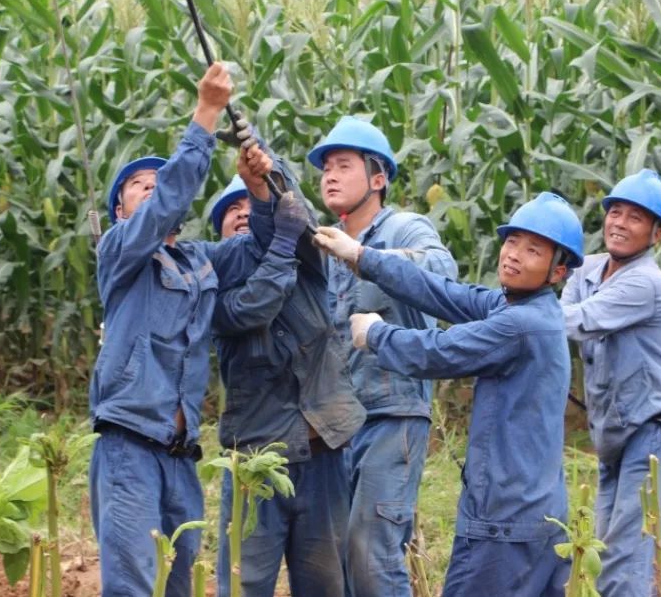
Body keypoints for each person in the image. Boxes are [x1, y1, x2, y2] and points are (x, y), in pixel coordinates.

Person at [315, 191, 583, 597]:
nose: (514, 255)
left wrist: (376, 334)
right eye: (512, 242)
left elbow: (440, 351)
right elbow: (443, 293)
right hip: (539, 512)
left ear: (558, 272)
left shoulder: (520, 325)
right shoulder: (521, 308)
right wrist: (362, 257)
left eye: (533, 251)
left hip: (504, 519)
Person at [89, 62, 272, 596]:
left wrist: (260, 192)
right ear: (120, 211)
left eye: (158, 181)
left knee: (179, 583)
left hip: (180, 455)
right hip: (129, 446)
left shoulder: (198, 260)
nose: (153, 189)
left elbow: (259, 248)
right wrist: (208, 111)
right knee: (132, 584)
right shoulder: (120, 251)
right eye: (139, 186)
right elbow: (168, 200)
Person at [305, 116, 457, 596]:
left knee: (371, 553)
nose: (330, 176)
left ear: (378, 178)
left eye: (343, 165)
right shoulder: (324, 244)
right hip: (341, 424)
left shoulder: (404, 228)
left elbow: (441, 271)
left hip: (394, 415)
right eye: (326, 168)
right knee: (345, 560)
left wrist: (362, 255)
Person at [211, 151, 367, 596]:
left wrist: (265, 173)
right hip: (255, 462)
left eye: (251, 205)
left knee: (325, 584)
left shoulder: (310, 269)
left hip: (323, 458)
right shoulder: (216, 295)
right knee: (244, 584)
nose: (244, 215)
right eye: (232, 212)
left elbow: (296, 216)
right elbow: (255, 306)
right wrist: (276, 239)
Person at [559, 169, 661, 597]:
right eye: (615, 212)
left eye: (636, 218)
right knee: (619, 558)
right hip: (614, 433)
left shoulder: (645, 283)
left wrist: (499, 319)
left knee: (623, 564)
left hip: (654, 430)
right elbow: (558, 311)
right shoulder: (586, 270)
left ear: (657, 234)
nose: (620, 223)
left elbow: (573, 320)